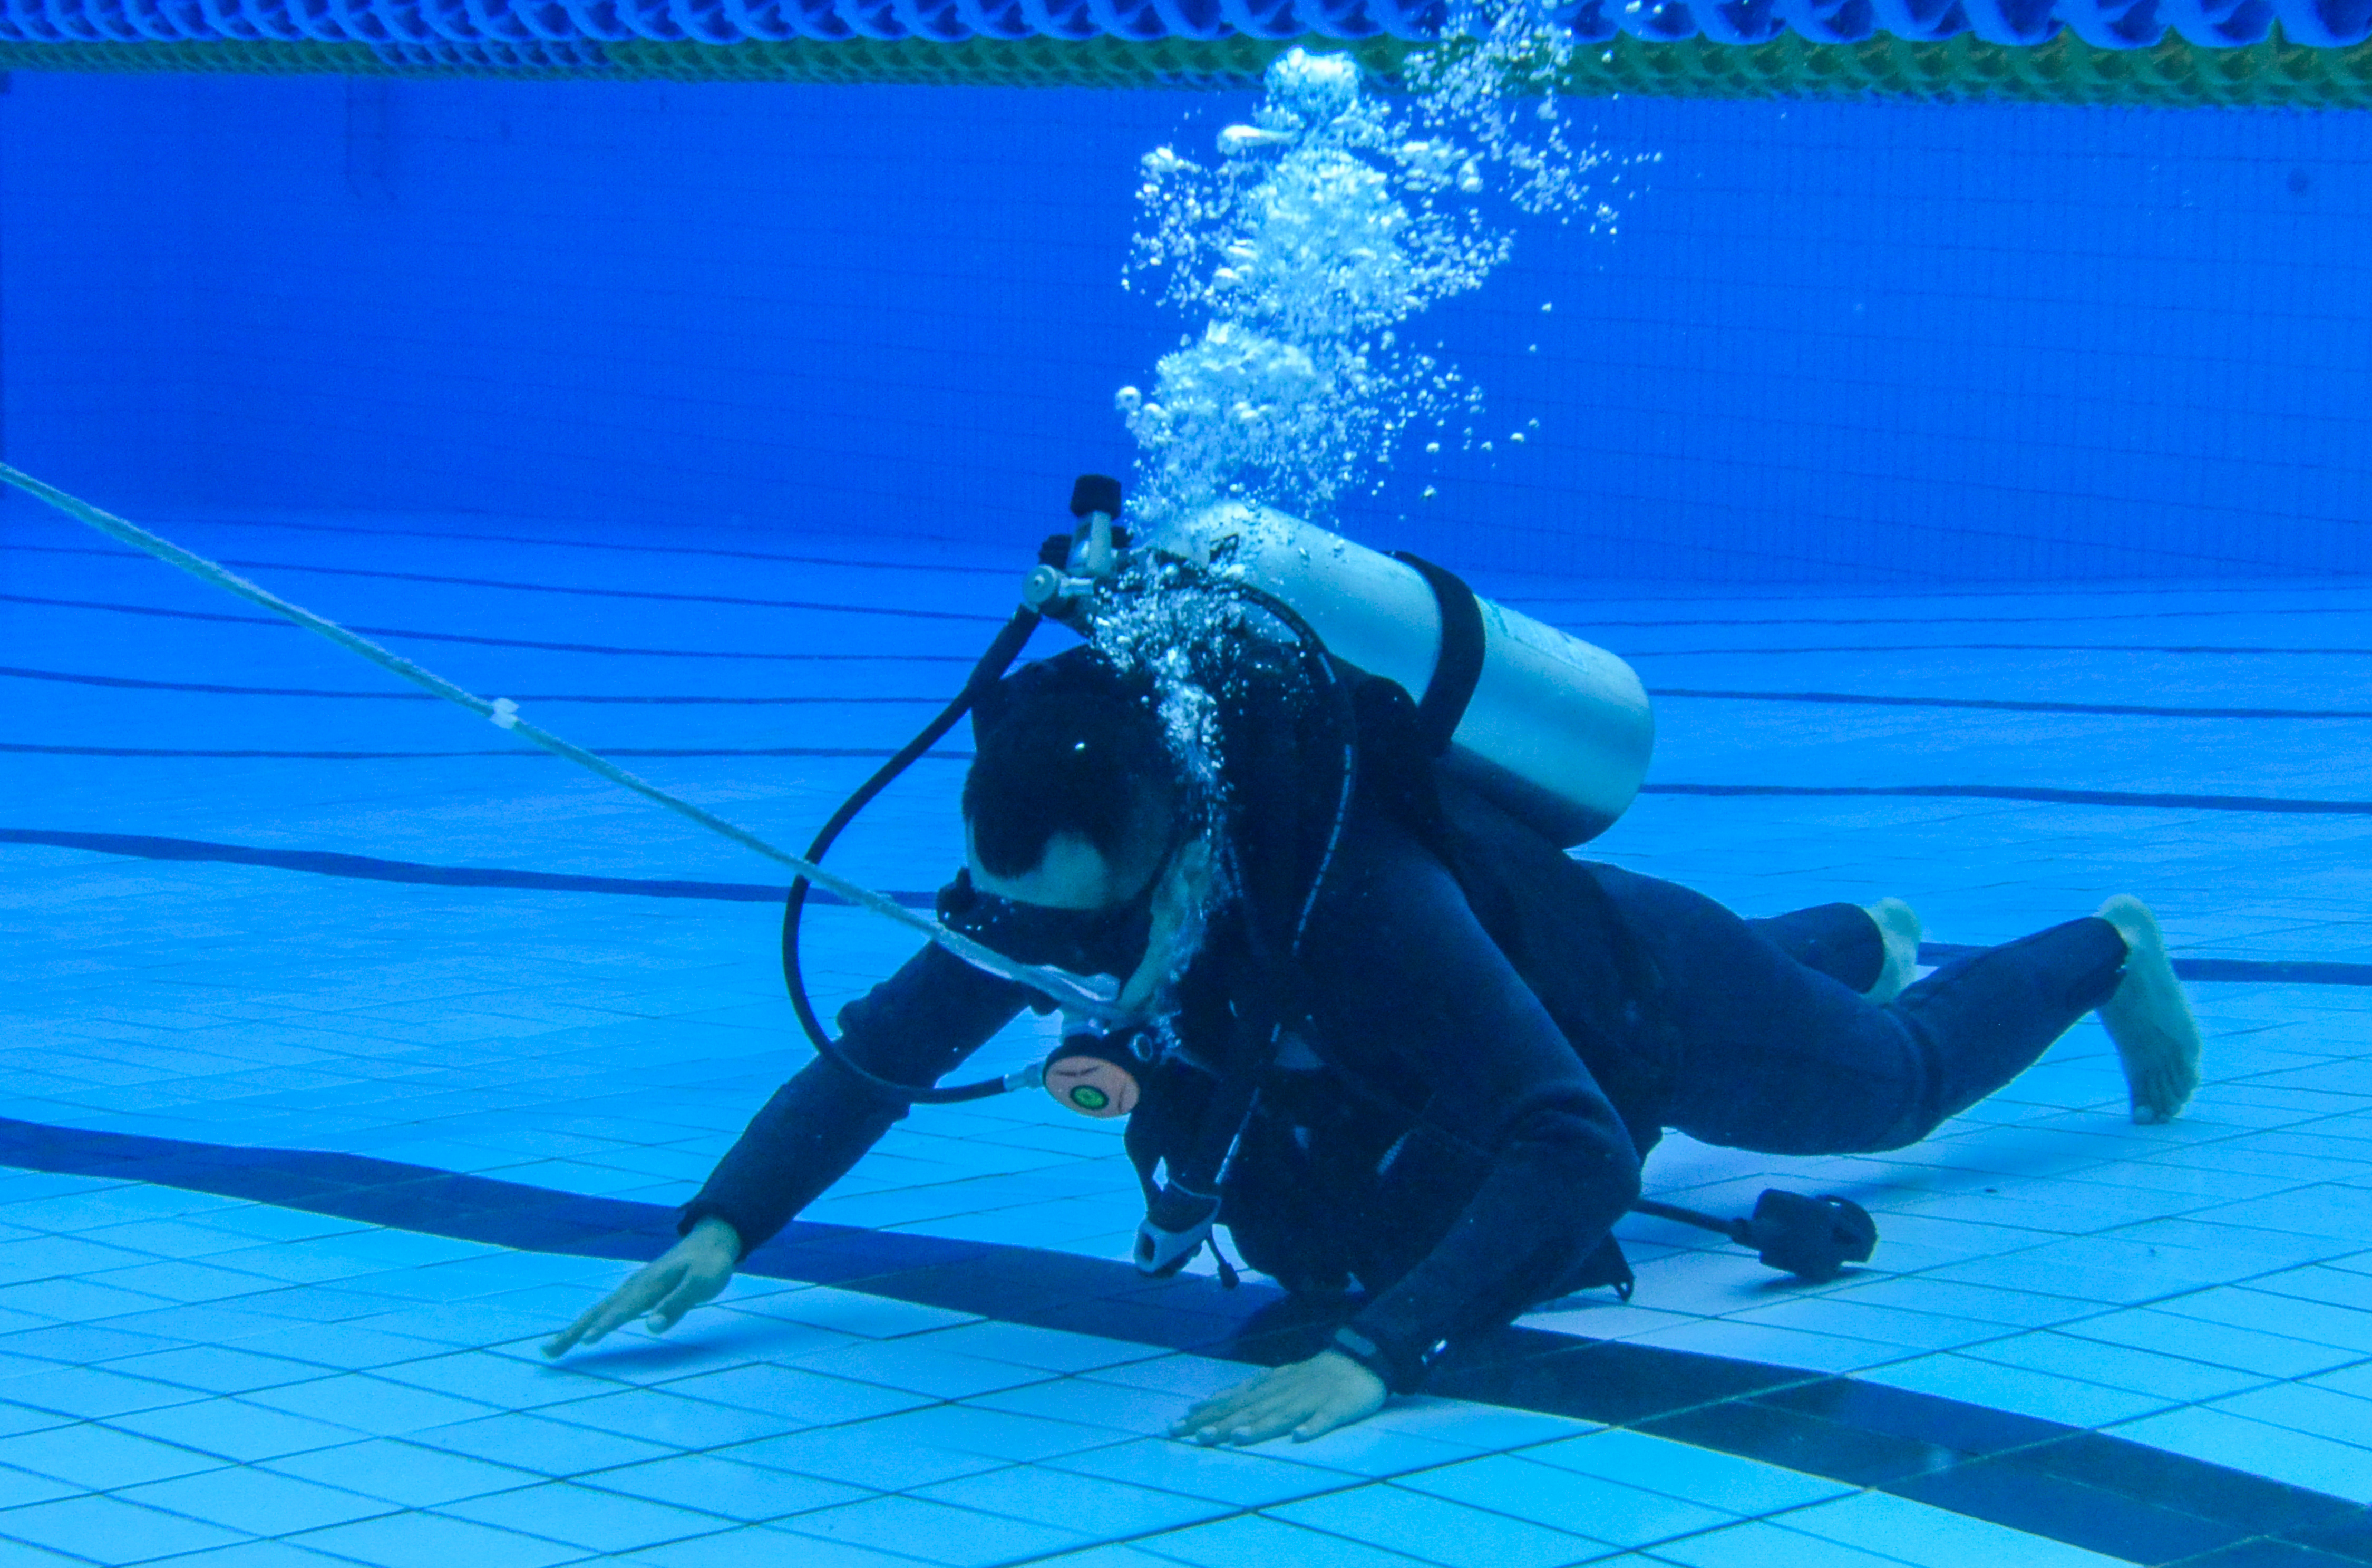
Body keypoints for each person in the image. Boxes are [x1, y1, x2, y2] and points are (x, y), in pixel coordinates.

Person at [543, 592, 2203, 1448]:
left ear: (1169, 840)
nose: (1056, 954)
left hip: (1631, 995)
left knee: (1889, 1090)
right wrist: (725, 1224)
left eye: (1089, 917)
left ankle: (2096, 950)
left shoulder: (1342, 892)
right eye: (1028, 921)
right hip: (1531, 977)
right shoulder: (1056, 872)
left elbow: (1561, 1133)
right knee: (1672, 991)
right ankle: (1865, 930)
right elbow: (893, 1043)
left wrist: (1372, 1351)